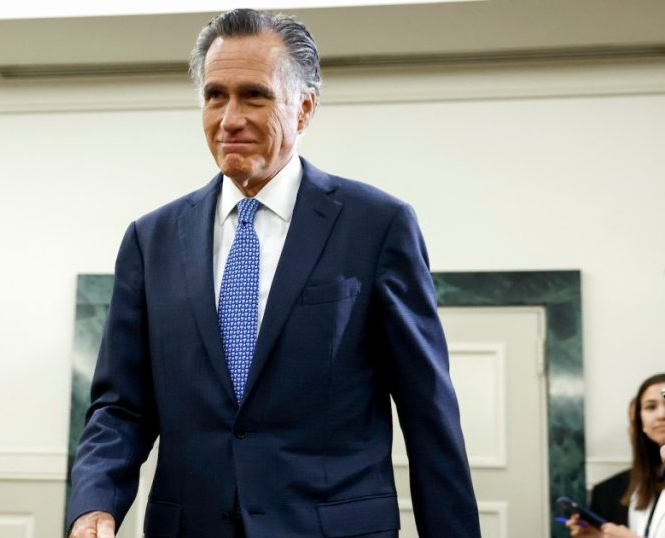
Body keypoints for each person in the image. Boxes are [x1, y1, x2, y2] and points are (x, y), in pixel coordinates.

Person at [66, 8, 479, 537]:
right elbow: (120, 406)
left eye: (253, 96)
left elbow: (428, 413)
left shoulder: (378, 226)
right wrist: (95, 504)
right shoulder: (152, 240)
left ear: (304, 108)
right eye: (215, 96)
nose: (229, 118)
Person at [568, 373, 665, 537]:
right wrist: (600, 536)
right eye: (650, 407)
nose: (661, 415)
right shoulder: (646, 481)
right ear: (640, 423)